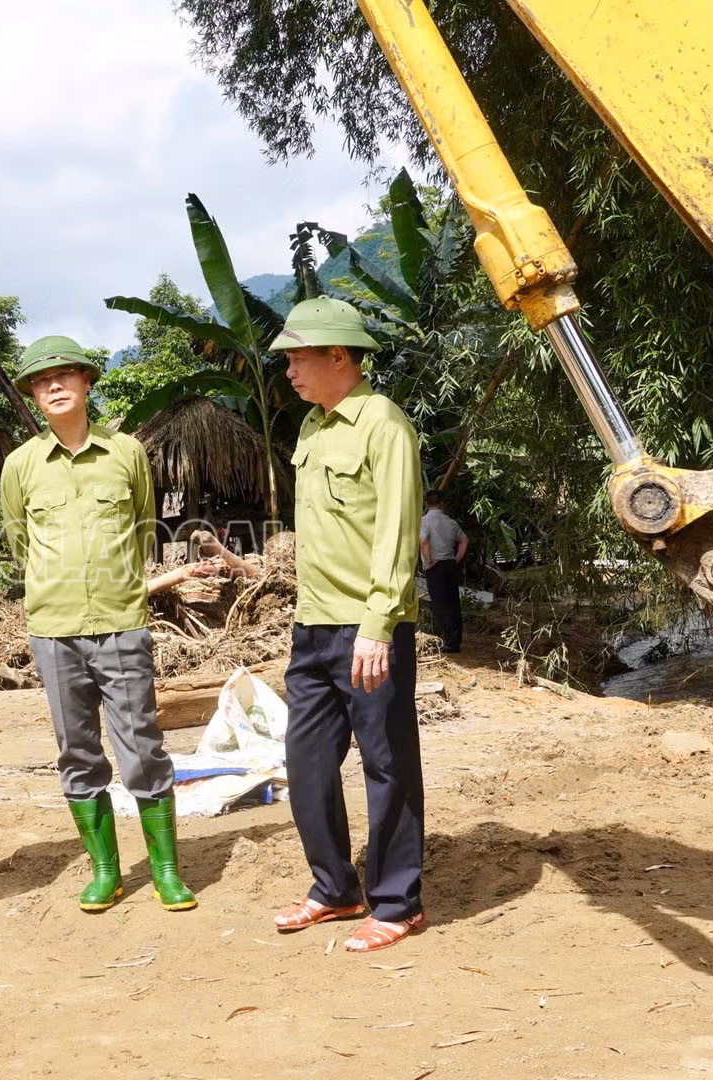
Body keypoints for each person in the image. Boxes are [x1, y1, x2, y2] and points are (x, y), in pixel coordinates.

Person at [0, 335, 196, 913]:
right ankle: (106, 869)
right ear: (34, 395)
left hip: (120, 620)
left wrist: (119, 584)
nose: (53, 386)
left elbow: (142, 525)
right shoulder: (21, 465)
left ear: (88, 382)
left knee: (141, 746)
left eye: (64, 375)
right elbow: (19, 541)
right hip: (53, 626)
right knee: (77, 752)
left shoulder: (128, 452)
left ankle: (165, 869)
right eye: (41, 380)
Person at [268, 297, 427, 954]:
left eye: (298, 357)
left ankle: (397, 902)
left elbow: (395, 528)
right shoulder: (311, 428)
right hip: (313, 628)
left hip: (367, 627)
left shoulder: (383, 425)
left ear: (340, 355)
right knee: (305, 763)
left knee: (387, 765)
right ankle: (335, 888)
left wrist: (378, 621)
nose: (289, 371)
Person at [420, 490, 469, 653]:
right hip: (449, 564)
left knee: (440, 604)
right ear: (442, 504)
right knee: (453, 602)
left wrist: (429, 560)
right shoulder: (451, 522)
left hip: (435, 566)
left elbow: (423, 540)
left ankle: (448, 642)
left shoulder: (424, 521)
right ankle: (455, 640)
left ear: (427, 504)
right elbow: (464, 540)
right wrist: (457, 559)